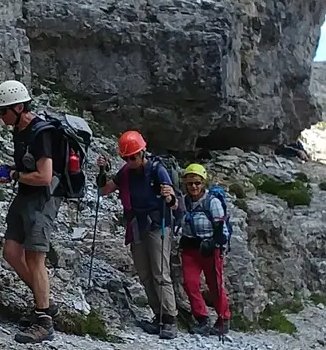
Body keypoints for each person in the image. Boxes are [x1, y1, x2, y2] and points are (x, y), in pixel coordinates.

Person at [0, 79, 61, 343]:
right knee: (11, 252)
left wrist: (14, 174)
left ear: (19, 108)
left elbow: (44, 177)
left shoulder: (39, 133)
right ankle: (44, 302)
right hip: (25, 196)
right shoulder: (19, 130)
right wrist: (13, 173)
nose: (1, 117)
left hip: (42, 200)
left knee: (35, 258)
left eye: (4, 111)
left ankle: (44, 319)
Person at [99, 131, 178, 338]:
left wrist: (169, 198)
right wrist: (101, 171)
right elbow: (104, 190)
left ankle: (169, 319)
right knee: (144, 274)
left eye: (133, 157)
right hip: (137, 225)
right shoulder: (125, 172)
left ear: (142, 152)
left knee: (160, 273)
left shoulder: (157, 170)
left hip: (158, 225)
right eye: (126, 157)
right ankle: (158, 316)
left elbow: (174, 203)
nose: (130, 161)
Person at [175, 164, 233, 336]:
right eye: (190, 183)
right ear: (185, 184)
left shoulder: (212, 202)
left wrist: (215, 243)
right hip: (190, 248)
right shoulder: (183, 202)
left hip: (211, 249)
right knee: (190, 283)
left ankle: (224, 318)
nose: (194, 186)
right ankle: (202, 318)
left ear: (203, 183)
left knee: (214, 285)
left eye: (197, 183)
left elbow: (221, 230)